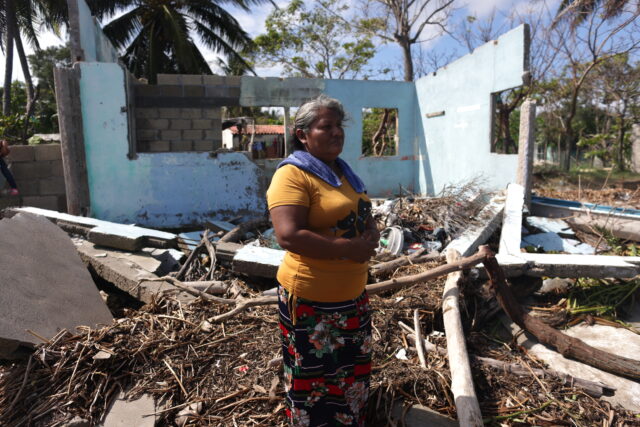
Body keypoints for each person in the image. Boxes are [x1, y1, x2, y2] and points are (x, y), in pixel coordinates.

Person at [267, 95, 379, 426]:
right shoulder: (293, 175)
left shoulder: (342, 173)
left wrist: (371, 231)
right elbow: (288, 235)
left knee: (349, 375)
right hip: (312, 300)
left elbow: (359, 210)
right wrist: (349, 249)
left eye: (338, 126)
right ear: (303, 135)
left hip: (351, 295)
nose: (336, 133)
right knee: (313, 382)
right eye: (325, 127)